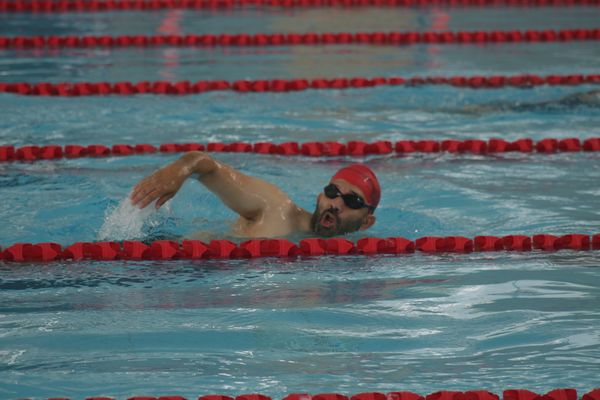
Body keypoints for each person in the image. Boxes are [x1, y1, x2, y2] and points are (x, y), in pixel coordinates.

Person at [130, 151, 380, 238]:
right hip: (162, 263)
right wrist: (178, 171)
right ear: (320, 195)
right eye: (332, 191)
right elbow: (205, 165)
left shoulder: (357, 253)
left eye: (352, 201)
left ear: (366, 222)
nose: (336, 203)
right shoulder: (275, 209)